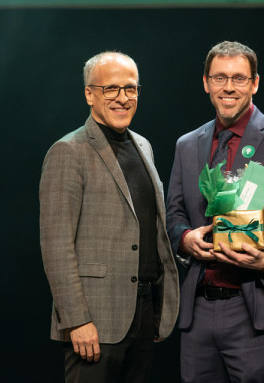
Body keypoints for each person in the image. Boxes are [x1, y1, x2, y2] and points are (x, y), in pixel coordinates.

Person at [166, 41, 264, 383]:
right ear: (206, 83)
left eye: (238, 78)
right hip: (199, 310)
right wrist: (187, 239)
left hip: (257, 310)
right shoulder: (187, 145)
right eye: (220, 78)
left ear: (255, 83)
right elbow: (173, 215)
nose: (229, 87)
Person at [39, 51, 179, 383]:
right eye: (110, 89)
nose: (123, 98)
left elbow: (152, 230)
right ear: (89, 93)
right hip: (95, 322)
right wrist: (76, 320)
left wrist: (157, 309)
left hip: (142, 315)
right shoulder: (69, 151)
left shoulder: (143, 146)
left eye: (130, 89)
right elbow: (56, 245)